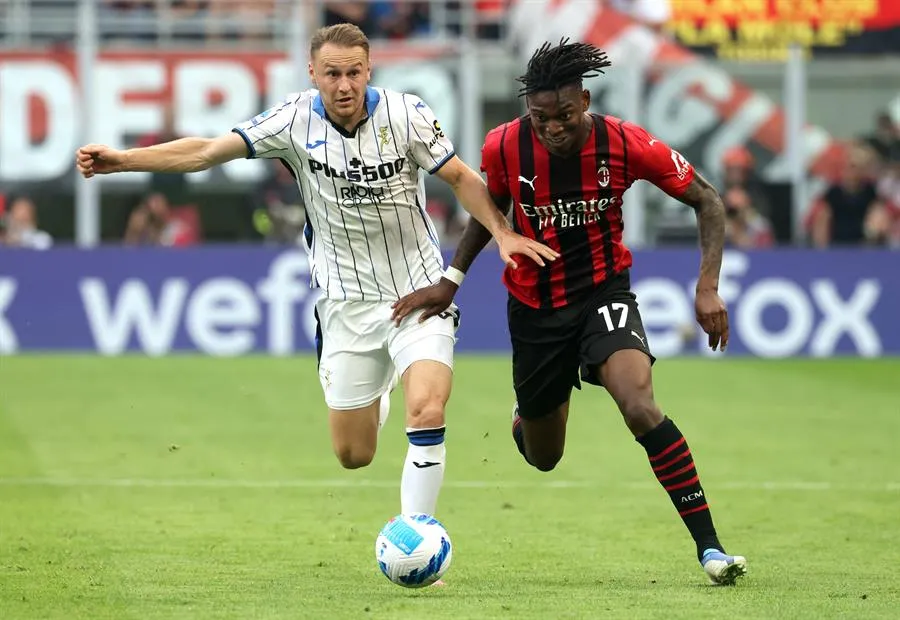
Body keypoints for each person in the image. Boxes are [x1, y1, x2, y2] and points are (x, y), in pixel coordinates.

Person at [76, 24, 556, 526]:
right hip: (345, 304)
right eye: (332, 74)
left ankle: (418, 537)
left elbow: (459, 176)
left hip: (418, 293)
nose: (344, 85)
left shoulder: (407, 115)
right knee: (354, 454)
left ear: (369, 70)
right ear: (314, 74)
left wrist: (501, 231)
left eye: (353, 72)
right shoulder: (291, 120)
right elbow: (206, 152)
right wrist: (123, 160)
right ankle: (377, 393)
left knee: (429, 412)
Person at [391, 39, 747, 585]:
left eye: (563, 115)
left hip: (604, 293)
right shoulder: (504, 146)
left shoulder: (626, 143)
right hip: (534, 309)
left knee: (639, 404)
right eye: (540, 118)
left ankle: (711, 549)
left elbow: (707, 199)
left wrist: (707, 286)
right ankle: (525, 415)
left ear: (584, 100)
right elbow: (493, 211)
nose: (552, 127)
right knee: (543, 456)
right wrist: (451, 280)